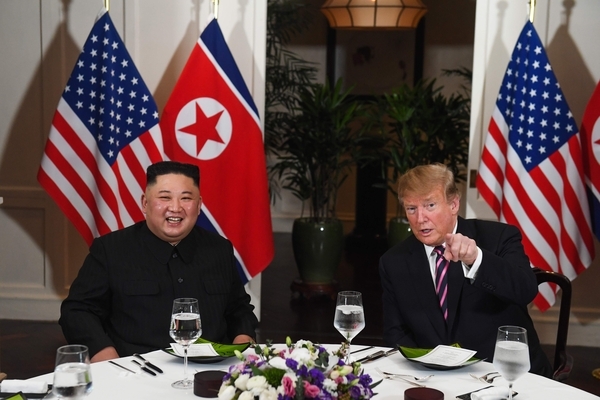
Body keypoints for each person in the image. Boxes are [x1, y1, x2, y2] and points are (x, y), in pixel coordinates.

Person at [59, 161, 258, 362]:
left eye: (186, 198)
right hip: (135, 370)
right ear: (145, 203)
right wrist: (105, 356)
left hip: (210, 369)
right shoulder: (110, 250)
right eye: (164, 197)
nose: (175, 208)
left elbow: (239, 309)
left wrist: (242, 345)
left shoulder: (219, 249)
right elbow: (77, 311)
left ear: (198, 206)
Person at [379, 163, 552, 377]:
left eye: (430, 205)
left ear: (453, 204)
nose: (420, 218)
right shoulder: (394, 262)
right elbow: (396, 335)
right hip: (432, 379)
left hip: (506, 375)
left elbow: (525, 289)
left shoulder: (499, 237)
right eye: (411, 209)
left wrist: (475, 259)